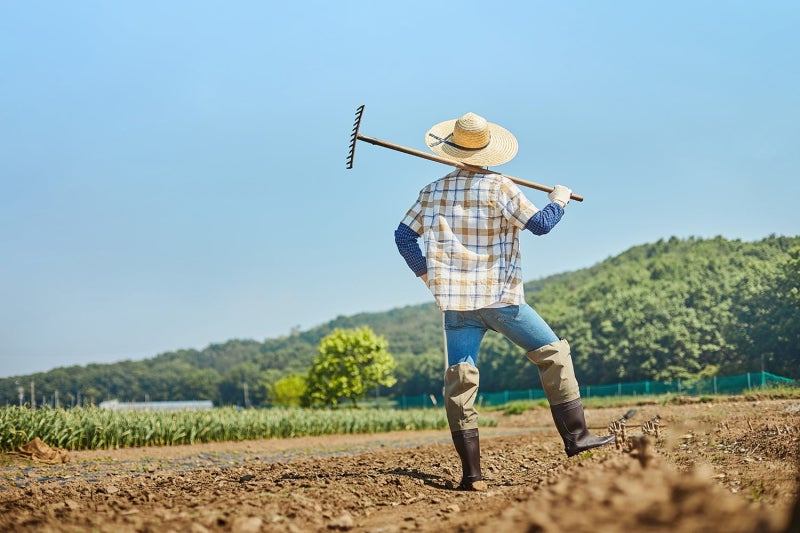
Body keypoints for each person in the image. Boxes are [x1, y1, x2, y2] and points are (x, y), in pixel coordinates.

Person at [394, 112, 615, 491]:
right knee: (553, 354)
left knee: (461, 380)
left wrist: (431, 279)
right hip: (501, 297)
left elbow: (402, 237)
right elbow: (540, 224)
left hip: (456, 304)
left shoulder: (431, 191)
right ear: (489, 150)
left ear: (450, 150)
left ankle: (472, 475)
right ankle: (577, 441)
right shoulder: (500, 186)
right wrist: (559, 200)